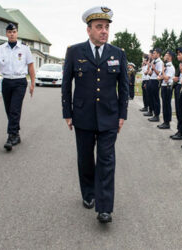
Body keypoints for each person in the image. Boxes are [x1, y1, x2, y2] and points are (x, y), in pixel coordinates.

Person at [61, 6, 129, 224]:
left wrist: (122, 114)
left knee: (107, 160)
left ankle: (105, 207)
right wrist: (67, 113)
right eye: (99, 27)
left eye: (107, 27)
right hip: (83, 116)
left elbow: (124, 87)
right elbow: (65, 84)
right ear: (88, 30)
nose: (104, 31)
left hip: (109, 116)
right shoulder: (75, 52)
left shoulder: (118, 54)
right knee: (85, 159)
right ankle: (88, 193)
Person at [0, 23, 35, 151]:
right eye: (9, 32)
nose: (12, 34)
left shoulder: (24, 49)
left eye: (14, 32)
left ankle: (11, 136)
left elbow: (30, 66)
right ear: (6, 34)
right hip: (6, 82)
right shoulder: (1, 48)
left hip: (20, 82)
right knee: (9, 110)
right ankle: (16, 134)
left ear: (17, 33)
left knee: (14, 109)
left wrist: (32, 83)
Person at [170, 47, 182, 140]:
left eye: (179, 55)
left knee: (181, 111)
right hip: (178, 88)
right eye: (177, 54)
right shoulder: (181, 64)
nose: (178, 56)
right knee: (178, 110)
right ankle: (179, 130)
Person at [157, 50, 175, 129]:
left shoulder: (170, 67)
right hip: (164, 86)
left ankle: (167, 123)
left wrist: (163, 72)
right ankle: (165, 121)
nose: (164, 56)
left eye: (166, 55)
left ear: (170, 57)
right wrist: (161, 75)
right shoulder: (166, 66)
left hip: (167, 87)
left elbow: (166, 78)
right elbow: (160, 77)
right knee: (164, 105)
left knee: (167, 105)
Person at [147, 48, 163, 122]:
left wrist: (154, 68)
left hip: (156, 81)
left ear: (158, 54)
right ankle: (152, 112)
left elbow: (159, 73)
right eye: (153, 53)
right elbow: (150, 73)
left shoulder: (160, 62)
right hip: (151, 79)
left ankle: (157, 115)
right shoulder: (153, 61)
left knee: (156, 98)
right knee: (151, 97)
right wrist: (150, 69)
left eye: (154, 53)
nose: (153, 54)